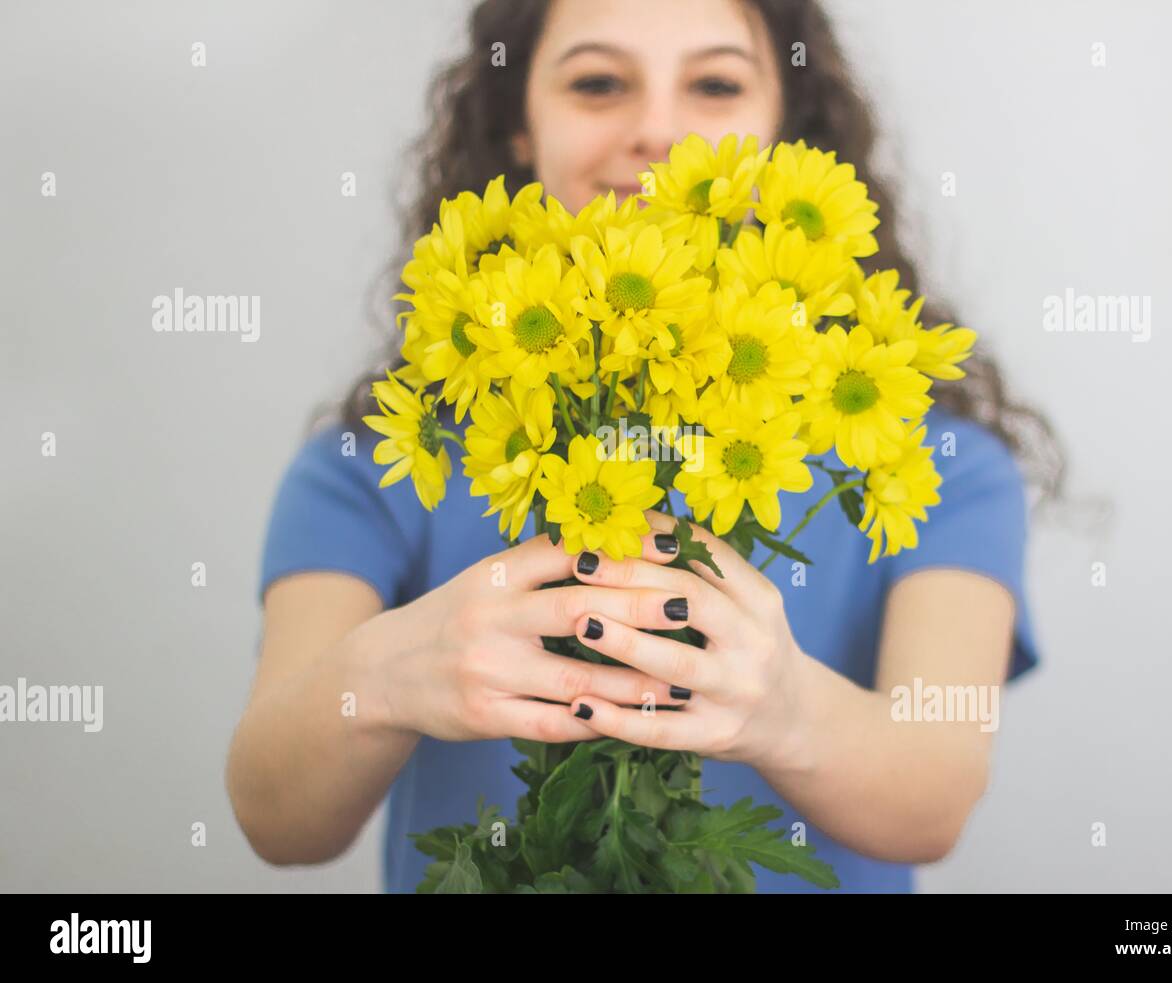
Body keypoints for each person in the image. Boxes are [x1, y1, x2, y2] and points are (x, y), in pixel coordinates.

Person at [226, 0, 1063, 893]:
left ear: (787, 127)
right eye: (597, 83)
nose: (659, 133)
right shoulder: (369, 468)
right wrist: (387, 679)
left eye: (714, 83)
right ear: (517, 128)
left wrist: (784, 709)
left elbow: (935, 795)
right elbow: (276, 816)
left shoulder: (941, 466)